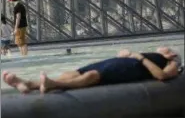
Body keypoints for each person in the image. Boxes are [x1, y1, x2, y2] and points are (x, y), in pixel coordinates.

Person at [2, 46, 182, 94]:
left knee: (92, 76)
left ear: (172, 54)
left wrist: (138, 56)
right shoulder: (155, 55)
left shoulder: (171, 62)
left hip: (123, 70)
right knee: (70, 74)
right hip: (113, 62)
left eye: (164, 48)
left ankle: (51, 84)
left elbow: (162, 76)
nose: (160, 48)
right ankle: (25, 83)